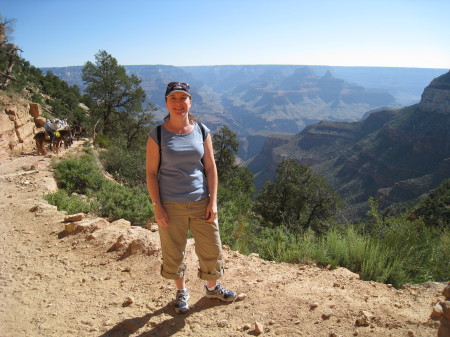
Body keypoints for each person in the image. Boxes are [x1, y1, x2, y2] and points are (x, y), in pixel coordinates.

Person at [146, 82, 237, 314]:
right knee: (174, 250)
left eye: (183, 98)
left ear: (190, 101)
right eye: (173, 99)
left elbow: (210, 168)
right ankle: (181, 292)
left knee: (211, 248)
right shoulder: (157, 134)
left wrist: (213, 201)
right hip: (170, 203)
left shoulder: (202, 130)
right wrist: (158, 206)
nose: (179, 103)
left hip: (201, 201)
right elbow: (151, 173)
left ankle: (212, 287)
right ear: (166, 103)